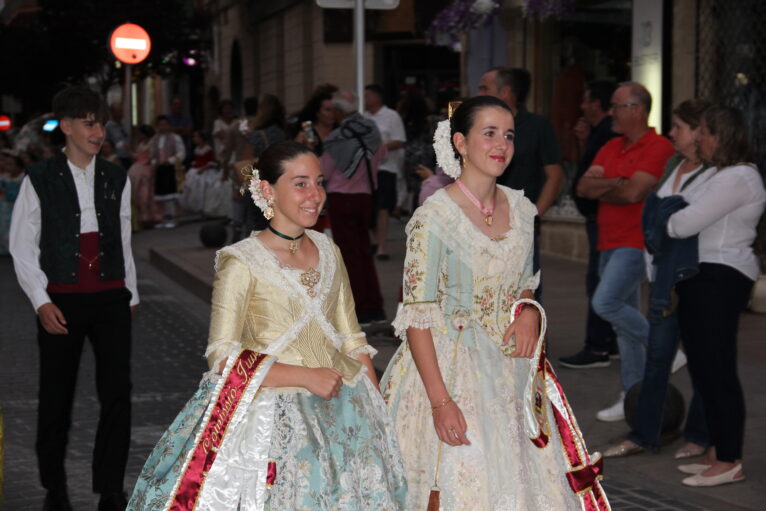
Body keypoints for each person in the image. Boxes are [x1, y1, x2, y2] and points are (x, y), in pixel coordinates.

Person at [127, 140, 407, 509]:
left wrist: (379, 413)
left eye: (320, 182)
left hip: (346, 407)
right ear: (266, 190)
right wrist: (304, 375)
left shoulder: (328, 249)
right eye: (301, 183)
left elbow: (352, 339)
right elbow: (221, 356)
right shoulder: (240, 261)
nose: (315, 195)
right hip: (273, 418)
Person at [381, 96, 609, 510]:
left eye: (508, 135)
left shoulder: (522, 208)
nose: (501, 144)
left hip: (512, 372)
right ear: (461, 143)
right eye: (488, 133)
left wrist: (526, 312)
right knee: (453, 484)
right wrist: (440, 402)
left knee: (523, 482)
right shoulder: (434, 218)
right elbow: (417, 317)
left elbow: (525, 283)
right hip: (449, 368)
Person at [9, 86, 139, 511]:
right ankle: (54, 486)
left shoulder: (117, 177)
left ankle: (112, 489)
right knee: (56, 396)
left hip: (110, 299)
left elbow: (122, 236)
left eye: (101, 123)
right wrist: (40, 301)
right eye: (89, 123)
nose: (98, 131)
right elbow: (22, 245)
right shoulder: (40, 178)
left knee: (118, 394)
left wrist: (130, 294)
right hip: (60, 301)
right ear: (66, 127)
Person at [604, 99, 714, 458]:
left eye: (679, 127)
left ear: (700, 132)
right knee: (657, 359)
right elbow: (658, 215)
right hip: (662, 274)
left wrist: (665, 221)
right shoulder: (673, 164)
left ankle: (699, 436)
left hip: (696, 276)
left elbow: (685, 222)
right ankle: (643, 433)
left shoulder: (716, 174)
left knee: (704, 361)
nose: (672, 134)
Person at [669, 105, 765, 486]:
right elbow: (674, 209)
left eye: (705, 132)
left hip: (720, 276)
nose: (698, 138)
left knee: (718, 370)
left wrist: (669, 216)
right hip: (704, 274)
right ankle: (716, 450)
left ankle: (729, 459)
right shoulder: (721, 174)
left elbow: (680, 222)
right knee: (705, 369)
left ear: (723, 136)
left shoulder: (739, 177)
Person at [577, 82, 674, 422]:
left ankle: (665, 346)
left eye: (617, 107)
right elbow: (583, 187)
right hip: (607, 238)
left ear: (637, 109)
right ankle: (633, 394)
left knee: (605, 302)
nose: (611, 113)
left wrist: (613, 185)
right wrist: (616, 184)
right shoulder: (610, 145)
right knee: (622, 324)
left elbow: (634, 193)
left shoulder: (660, 146)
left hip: (637, 242)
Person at [477, 67, 564, 299]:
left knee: (525, 293)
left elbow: (554, 175)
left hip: (520, 225)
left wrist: (534, 215)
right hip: (480, 223)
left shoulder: (537, 126)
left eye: (485, 88)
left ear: (506, 92)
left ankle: (533, 336)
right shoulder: (477, 127)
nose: (478, 93)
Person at [559, 80, 619, 368]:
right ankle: (611, 341)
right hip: (597, 219)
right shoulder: (601, 133)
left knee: (600, 283)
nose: (582, 106)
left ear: (596, 104)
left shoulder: (609, 132)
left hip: (603, 221)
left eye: (585, 101)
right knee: (604, 282)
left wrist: (589, 187)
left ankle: (598, 346)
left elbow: (594, 182)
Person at [320, 90, 387, 325]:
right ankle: (374, 305)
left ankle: (359, 308)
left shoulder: (337, 139)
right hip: (366, 196)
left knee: (349, 255)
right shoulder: (372, 131)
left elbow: (324, 172)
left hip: (342, 197)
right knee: (364, 252)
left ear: (339, 111)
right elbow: (382, 157)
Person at [364, 84, 406, 260]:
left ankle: (382, 246)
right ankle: (374, 241)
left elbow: (400, 140)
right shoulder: (364, 116)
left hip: (386, 167)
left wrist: (379, 148)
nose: (364, 100)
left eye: (367, 96)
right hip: (366, 169)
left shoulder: (391, 116)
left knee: (383, 207)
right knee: (370, 206)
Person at [149, 115, 185, 229]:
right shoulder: (154, 139)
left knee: (170, 193)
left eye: (165, 124)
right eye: (160, 125)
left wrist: (169, 160)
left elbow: (181, 153)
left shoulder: (175, 138)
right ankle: (162, 217)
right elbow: (151, 154)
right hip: (159, 169)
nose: (163, 127)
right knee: (160, 194)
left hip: (171, 168)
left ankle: (171, 217)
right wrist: (156, 161)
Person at [127, 125, 161, 229]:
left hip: (146, 169)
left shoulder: (152, 143)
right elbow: (138, 156)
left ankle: (152, 217)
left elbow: (153, 156)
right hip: (139, 168)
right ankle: (143, 218)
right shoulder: (141, 144)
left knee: (147, 194)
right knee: (139, 194)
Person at [0, 152, 24, 254]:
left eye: (11, 164)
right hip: (6, 206)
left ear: (18, 166)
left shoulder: (23, 177)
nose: (7, 166)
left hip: (19, 206)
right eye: (6, 164)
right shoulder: (4, 178)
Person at [104, 103, 132, 169]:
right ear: (112, 113)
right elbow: (106, 143)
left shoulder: (125, 125)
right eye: (118, 111)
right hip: (117, 158)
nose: (121, 114)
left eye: (121, 111)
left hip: (128, 157)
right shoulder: (108, 127)